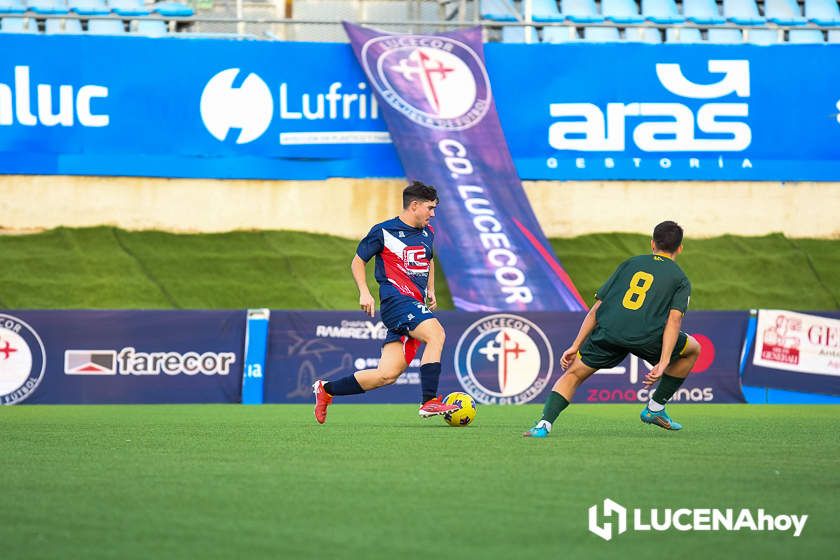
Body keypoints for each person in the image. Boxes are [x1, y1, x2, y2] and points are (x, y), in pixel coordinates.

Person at [524, 220, 701, 437]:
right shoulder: (680, 278)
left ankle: (543, 425)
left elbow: (597, 308)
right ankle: (655, 408)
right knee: (693, 349)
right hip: (646, 336)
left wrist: (575, 344)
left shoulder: (630, 264)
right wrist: (663, 361)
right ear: (680, 248)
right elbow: (673, 321)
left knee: (573, 375)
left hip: (610, 330)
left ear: (652, 243)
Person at [313, 181, 460, 424]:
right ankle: (429, 401)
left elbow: (428, 259)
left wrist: (431, 288)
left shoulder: (427, 233)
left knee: (386, 375)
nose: (433, 214)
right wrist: (364, 292)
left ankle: (326, 389)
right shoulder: (384, 231)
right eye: (430, 208)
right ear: (414, 206)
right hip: (396, 302)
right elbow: (357, 261)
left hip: (413, 305)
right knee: (437, 334)